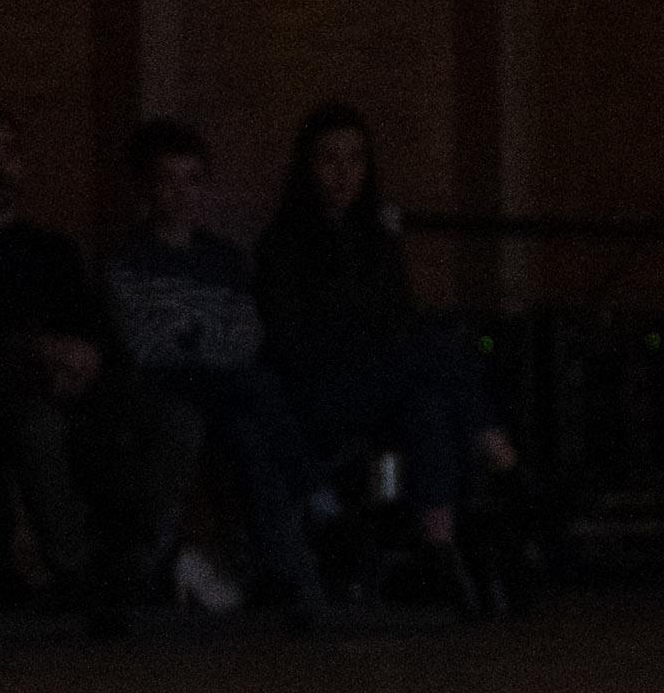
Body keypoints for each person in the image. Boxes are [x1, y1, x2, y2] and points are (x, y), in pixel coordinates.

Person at [0, 101, 174, 615]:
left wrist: (90, 359)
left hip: (73, 383)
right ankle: (79, 571)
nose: (0, 166)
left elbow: (95, 325)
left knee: (169, 418)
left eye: (9, 151)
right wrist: (39, 351)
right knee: (40, 427)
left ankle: (137, 559)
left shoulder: (53, 250)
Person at [257, 101, 515, 609]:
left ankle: (438, 548)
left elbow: (399, 325)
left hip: (378, 389)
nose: (343, 173)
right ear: (308, 167)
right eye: (329, 159)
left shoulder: (376, 240)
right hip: (319, 395)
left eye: (355, 159)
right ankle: (496, 444)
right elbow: (295, 344)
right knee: (436, 350)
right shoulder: (282, 245)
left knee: (430, 400)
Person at [107, 117, 323, 621]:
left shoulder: (224, 259)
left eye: (193, 179)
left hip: (224, 386)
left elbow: (247, 334)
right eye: (168, 179)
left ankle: (281, 570)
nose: (182, 193)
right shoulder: (127, 259)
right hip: (165, 385)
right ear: (146, 186)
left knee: (250, 428)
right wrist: (202, 339)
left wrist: (191, 335)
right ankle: (315, 497)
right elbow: (144, 343)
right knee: (258, 391)